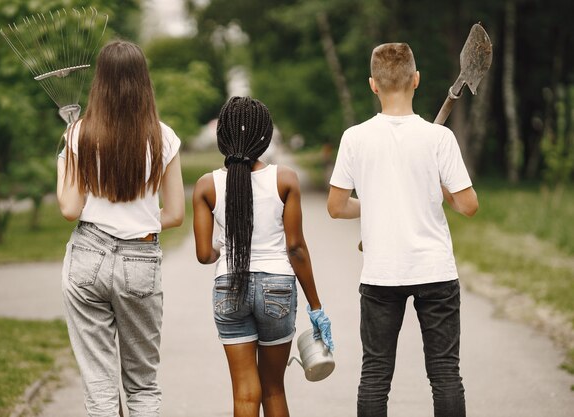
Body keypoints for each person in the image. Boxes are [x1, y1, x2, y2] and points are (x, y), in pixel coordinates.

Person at [327, 43, 478, 417]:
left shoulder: (355, 137)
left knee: (375, 373)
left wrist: (375, 204)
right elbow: (467, 205)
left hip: (382, 275)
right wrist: (434, 183)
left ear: (372, 85)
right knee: (445, 373)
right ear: (417, 80)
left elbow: (336, 207)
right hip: (435, 272)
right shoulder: (438, 138)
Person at [56, 40, 184, 417]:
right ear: (144, 81)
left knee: (99, 384)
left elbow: (69, 208)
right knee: (143, 384)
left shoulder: (79, 133)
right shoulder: (164, 136)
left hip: (87, 257)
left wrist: (64, 155)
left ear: (100, 82)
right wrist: (137, 220)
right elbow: (175, 213)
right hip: (140, 262)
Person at [193, 96, 334, 417]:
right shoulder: (284, 179)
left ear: (222, 137)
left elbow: (204, 255)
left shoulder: (207, 186)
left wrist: (219, 247)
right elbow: (295, 248)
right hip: (278, 289)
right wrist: (316, 306)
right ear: (265, 136)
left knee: (244, 393)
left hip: (229, 286)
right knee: (273, 389)